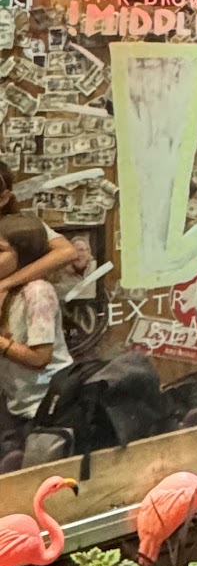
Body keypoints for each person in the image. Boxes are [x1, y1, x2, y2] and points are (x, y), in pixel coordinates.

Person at [0, 215, 74, 454]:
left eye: (0, 251)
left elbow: (40, 358)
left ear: (26, 253)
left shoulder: (37, 292)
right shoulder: (8, 291)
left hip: (46, 407)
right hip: (18, 404)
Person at [0, 161, 91, 301]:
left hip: (18, 296)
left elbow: (67, 252)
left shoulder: (21, 226)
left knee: (39, 290)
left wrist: (8, 283)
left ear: (4, 198)